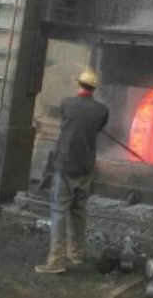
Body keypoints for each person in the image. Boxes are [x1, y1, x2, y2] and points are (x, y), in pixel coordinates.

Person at [35, 68, 109, 274]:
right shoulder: (102, 110)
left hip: (66, 166)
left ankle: (56, 261)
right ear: (94, 88)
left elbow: (66, 120)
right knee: (78, 211)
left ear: (79, 85)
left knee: (59, 211)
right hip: (86, 166)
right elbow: (98, 127)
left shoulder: (67, 103)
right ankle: (76, 254)